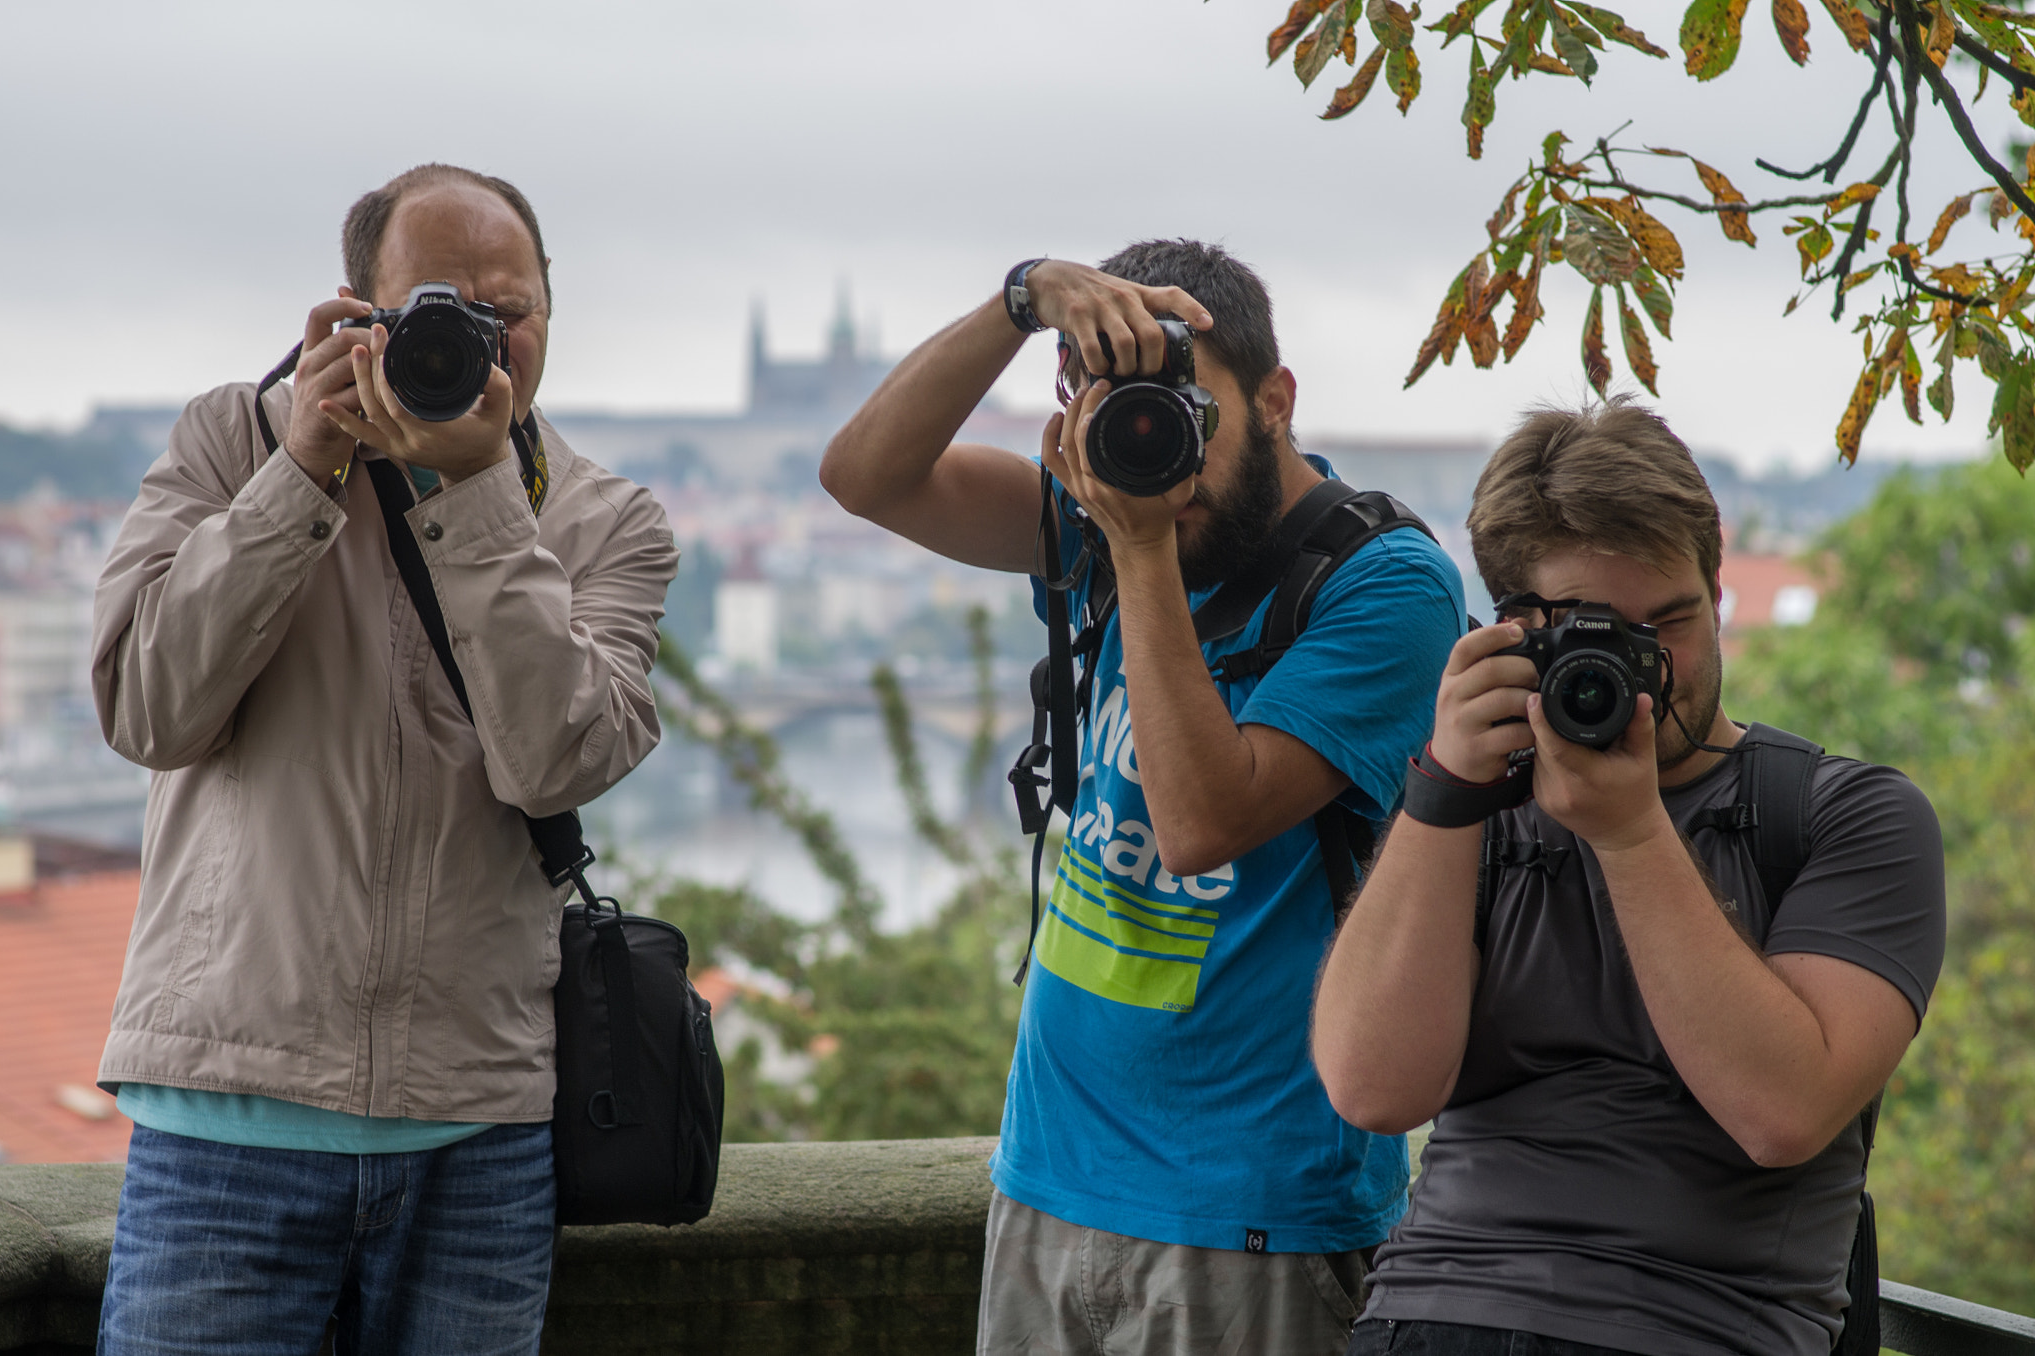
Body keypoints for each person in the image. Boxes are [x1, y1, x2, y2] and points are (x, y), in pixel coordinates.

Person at [821, 241, 1464, 1354]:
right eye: (1121, 413)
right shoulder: (1094, 519)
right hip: (1049, 1175)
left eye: (1189, 414)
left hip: (1252, 1208)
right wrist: (1020, 300)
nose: (1161, 453)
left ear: (1275, 400)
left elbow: (1199, 821)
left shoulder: (1384, 583)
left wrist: (1137, 546)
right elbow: (863, 478)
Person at [89, 163, 677, 1355]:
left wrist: (477, 494)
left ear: (551, 316)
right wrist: (298, 472)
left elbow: (556, 761)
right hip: (227, 1116)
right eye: (441, 307)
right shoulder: (232, 439)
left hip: (480, 1134)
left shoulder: (609, 522)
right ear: (357, 311)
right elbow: (147, 709)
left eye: (511, 308)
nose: (483, 337)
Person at [1313, 399, 1947, 1356]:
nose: (1651, 669)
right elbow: (1372, 1089)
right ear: (1515, 631)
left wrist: (1633, 835)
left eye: (1674, 622)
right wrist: (1442, 791)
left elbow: (1781, 1115)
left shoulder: (1847, 817)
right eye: (1600, 632)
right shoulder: (1472, 807)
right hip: (1437, 1315)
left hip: (1705, 1331)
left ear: (1719, 586)